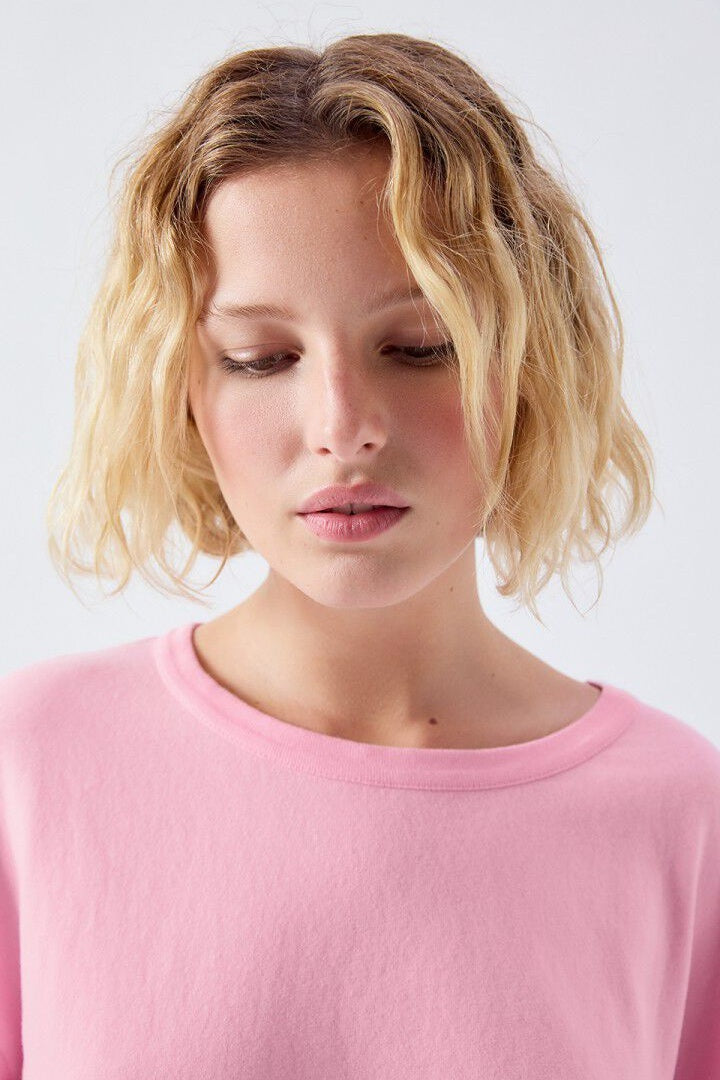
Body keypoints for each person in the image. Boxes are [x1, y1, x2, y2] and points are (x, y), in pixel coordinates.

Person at [0, 31, 717, 1079]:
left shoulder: (679, 810)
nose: (343, 426)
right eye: (262, 358)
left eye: (419, 346)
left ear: (528, 362)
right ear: (184, 390)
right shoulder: (32, 764)